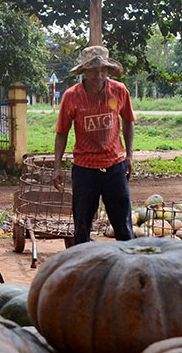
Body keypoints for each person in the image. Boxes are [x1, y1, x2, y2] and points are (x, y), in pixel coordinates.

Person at [52, 45, 136, 244]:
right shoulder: (71, 96)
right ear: (85, 71)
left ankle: (129, 262)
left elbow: (128, 121)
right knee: (81, 228)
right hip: (85, 169)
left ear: (108, 70)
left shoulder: (119, 90)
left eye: (103, 70)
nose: (98, 76)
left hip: (115, 166)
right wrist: (57, 167)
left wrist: (129, 156)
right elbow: (62, 132)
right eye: (93, 71)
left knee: (124, 228)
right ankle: (83, 262)